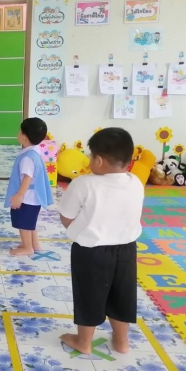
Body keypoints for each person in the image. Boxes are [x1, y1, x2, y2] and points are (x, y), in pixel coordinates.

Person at [58, 128, 144, 355]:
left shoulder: (83, 183)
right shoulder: (135, 182)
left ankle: (83, 342)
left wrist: (80, 229)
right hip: (126, 249)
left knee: (89, 294)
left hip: (91, 251)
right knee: (122, 294)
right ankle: (122, 341)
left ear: (98, 160)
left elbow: (66, 216)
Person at [5, 118, 53, 256]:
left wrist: (19, 195)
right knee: (30, 222)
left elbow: (27, 177)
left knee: (24, 224)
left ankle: (27, 247)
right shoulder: (35, 151)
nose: (18, 132)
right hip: (33, 198)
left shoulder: (27, 158)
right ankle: (34, 244)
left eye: (19, 131)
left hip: (27, 198)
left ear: (24, 137)